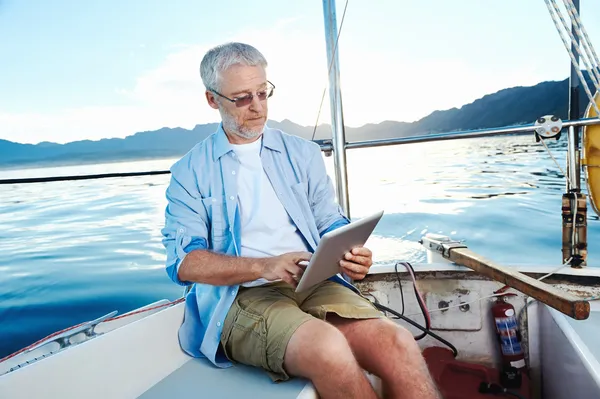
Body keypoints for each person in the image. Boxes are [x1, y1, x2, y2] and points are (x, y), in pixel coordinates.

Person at [161, 42, 441, 399]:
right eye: (242, 98)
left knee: (398, 341)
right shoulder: (189, 172)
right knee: (327, 348)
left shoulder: (302, 154)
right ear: (212, 100)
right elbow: (183, 263)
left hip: (314, 280)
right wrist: (265, 266)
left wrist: (351, 252)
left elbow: (330, 221)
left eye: (263, 93)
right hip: (241, 297)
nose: (258, 107)